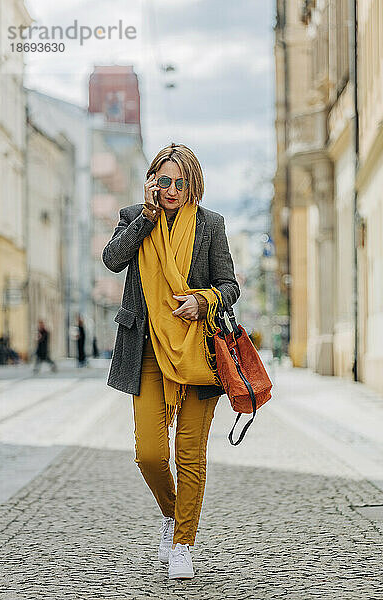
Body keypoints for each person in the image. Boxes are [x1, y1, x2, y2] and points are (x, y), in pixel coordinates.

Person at [102, 143, 240, 580]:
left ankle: (183, 544)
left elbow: (229, 285)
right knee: (149, 453)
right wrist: (146, 217)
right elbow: (112, 260)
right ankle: (171, 514)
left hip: (197, 353)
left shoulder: (210, 225)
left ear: (192, 184)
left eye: (181, 182)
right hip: (145, 350)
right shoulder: (135, 218)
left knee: (190, 455)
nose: (173, 190)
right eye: (165, 181)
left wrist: (202, 301)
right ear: (152, 182)